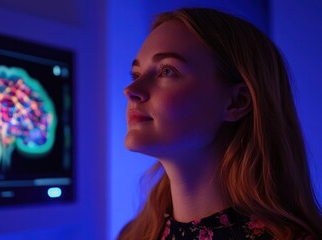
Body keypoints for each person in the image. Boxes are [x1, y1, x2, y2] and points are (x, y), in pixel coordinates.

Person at [118, 7, 322, 240]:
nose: (131, 90)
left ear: (236, 102)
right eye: (136, 74)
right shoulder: (133, 235)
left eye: (167, 70)